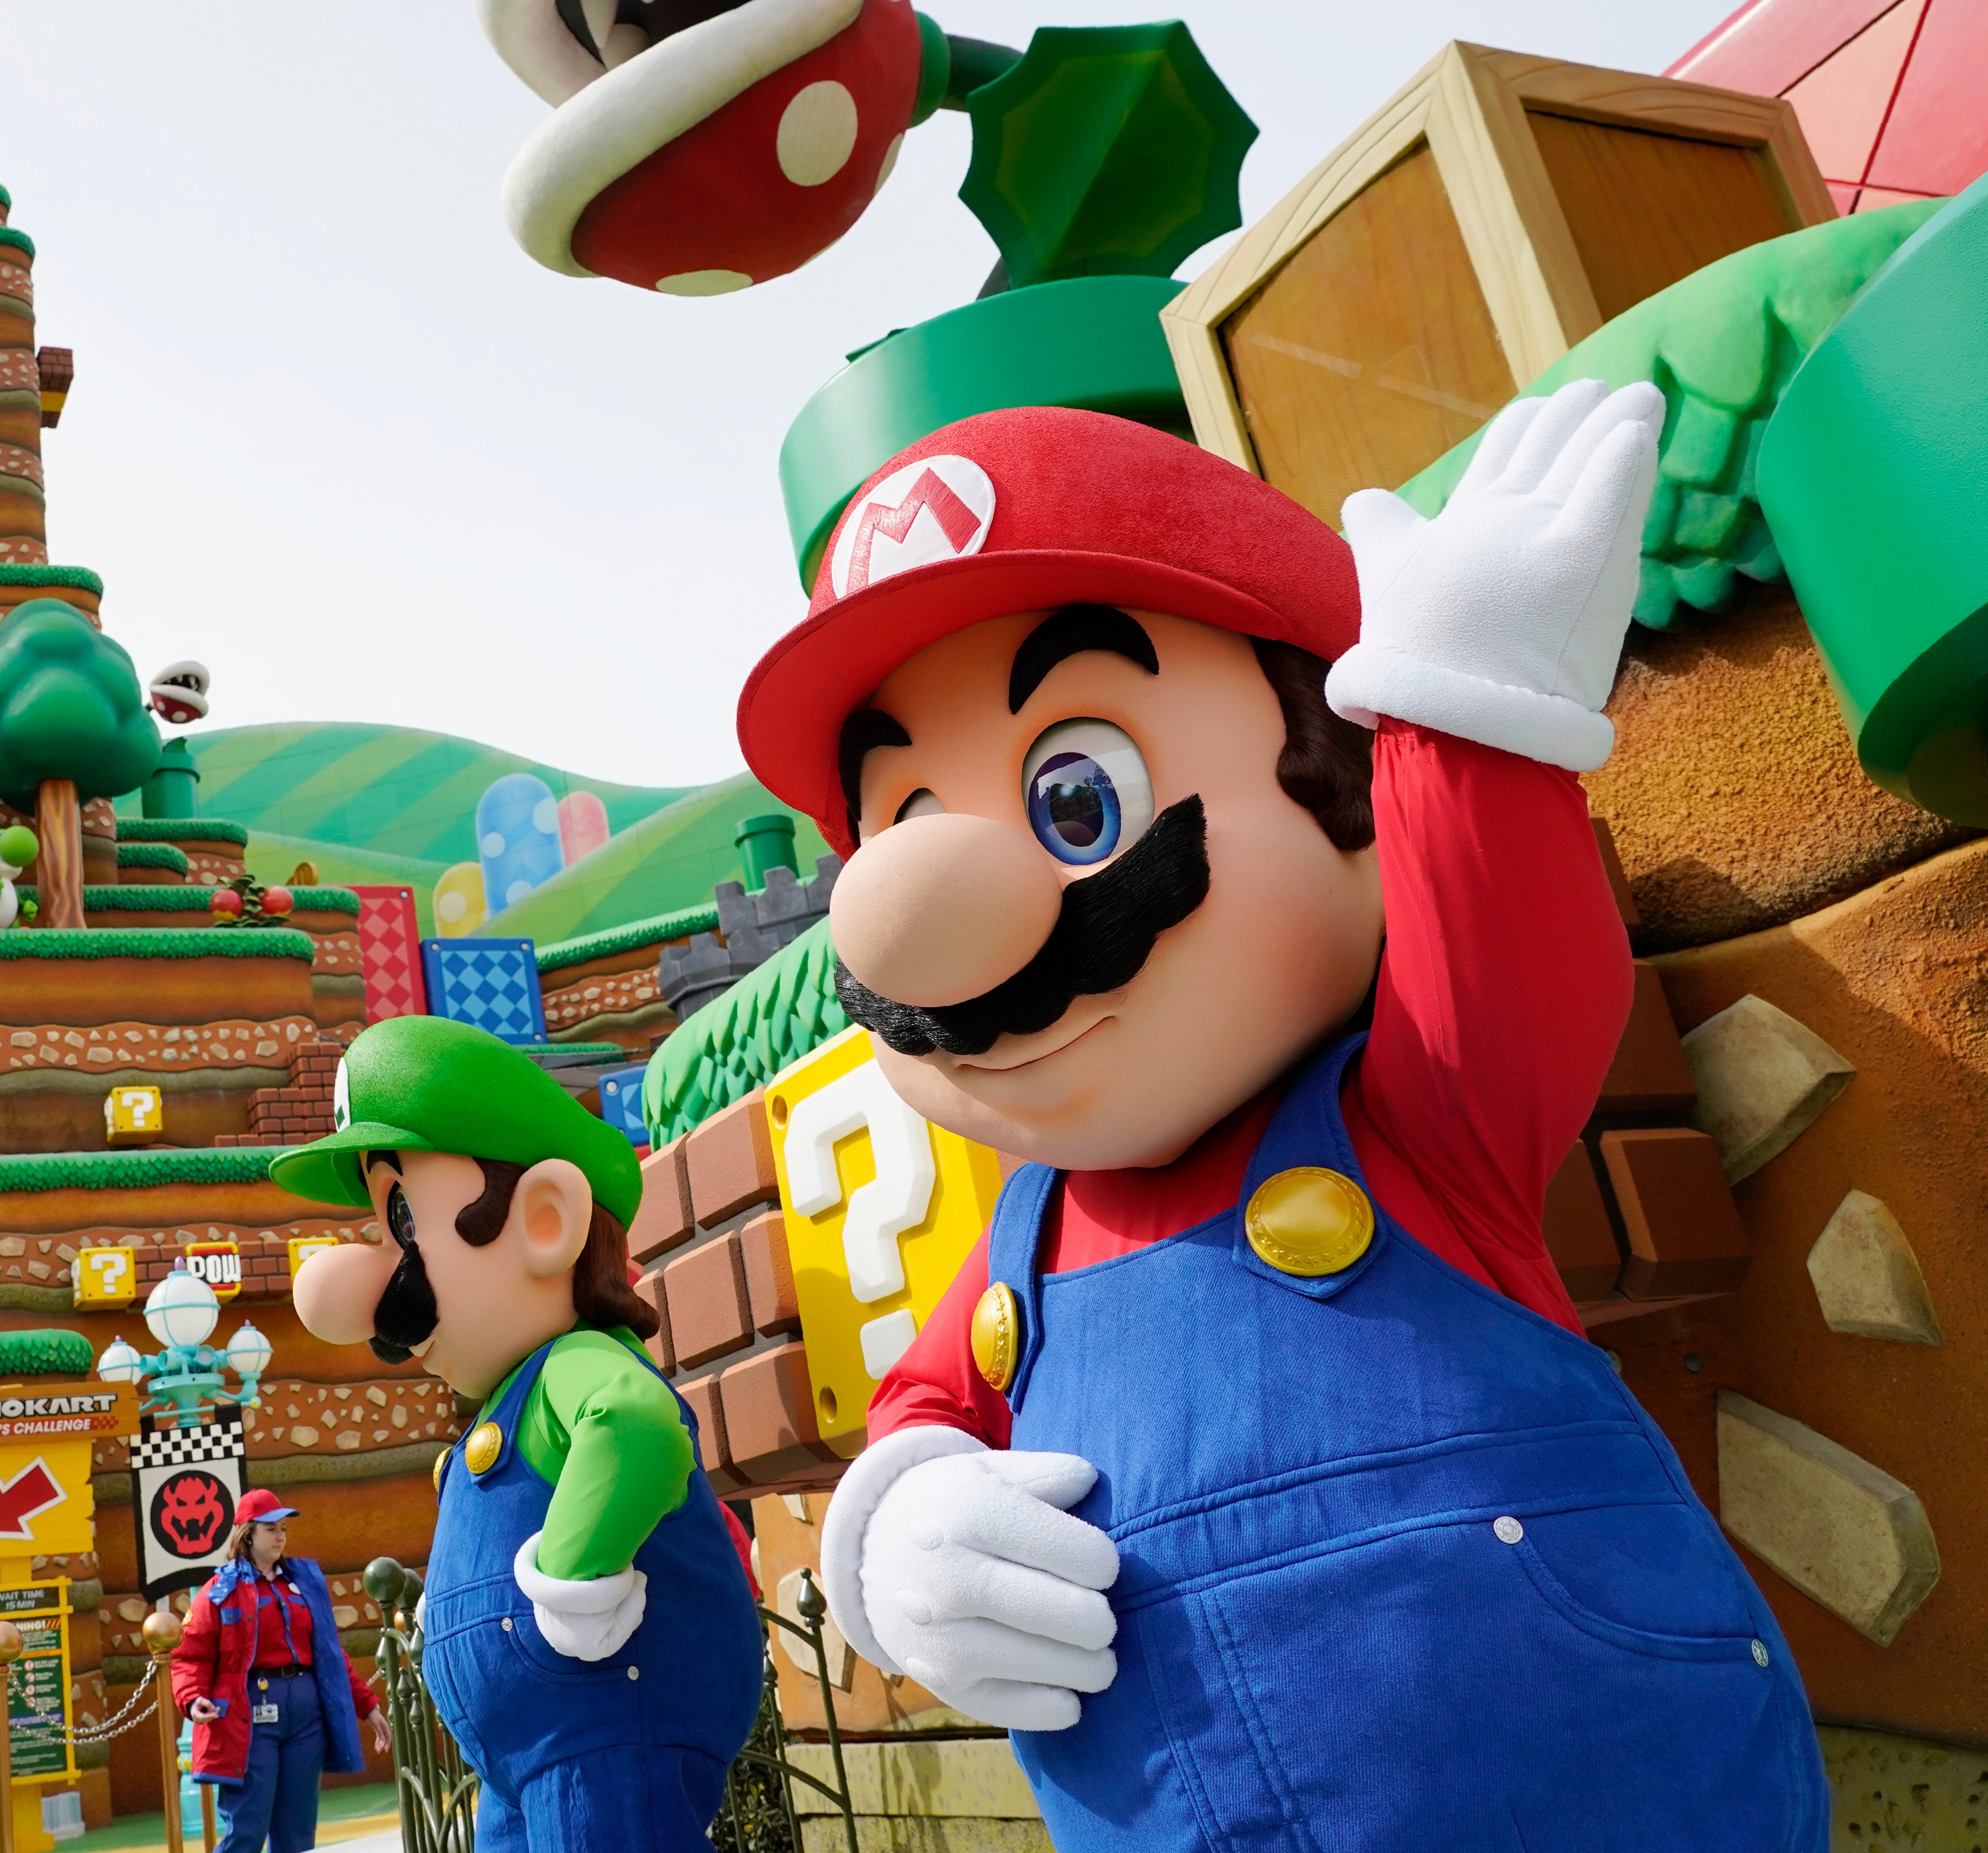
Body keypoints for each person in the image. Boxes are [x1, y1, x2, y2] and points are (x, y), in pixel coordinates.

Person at [731, 398, 1825, 1849]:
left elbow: (1504, 956)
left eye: (1074, 795)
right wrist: (901, 1526)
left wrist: (1464, 716)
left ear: (1339, 775)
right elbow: (926, 1401)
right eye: (900, 818)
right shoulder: (1021, 1244)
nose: (919, 912)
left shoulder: (1410, 1122)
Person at [283, 1016, 763, 1850]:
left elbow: (635, 1425)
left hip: (606, 1727)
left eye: (401, 1219)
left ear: (545, 1219)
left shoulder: (572, 1368)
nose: (369, 1282)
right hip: (525, 1751)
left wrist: (570, 1576)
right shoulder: (507, 1399)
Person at [169, 1492, 384, 1853]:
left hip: (306, 1717)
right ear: (248, 1535)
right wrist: (191, 1698)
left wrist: (369, 1706)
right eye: (271, 1529)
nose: (281, 1536)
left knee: (297, 1835)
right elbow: (191, 1656)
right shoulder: (219, 1591)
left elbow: (330, 1654)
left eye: (283, 1528)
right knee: (247, 1829)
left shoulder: (304, 1584)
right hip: (248, 1717)